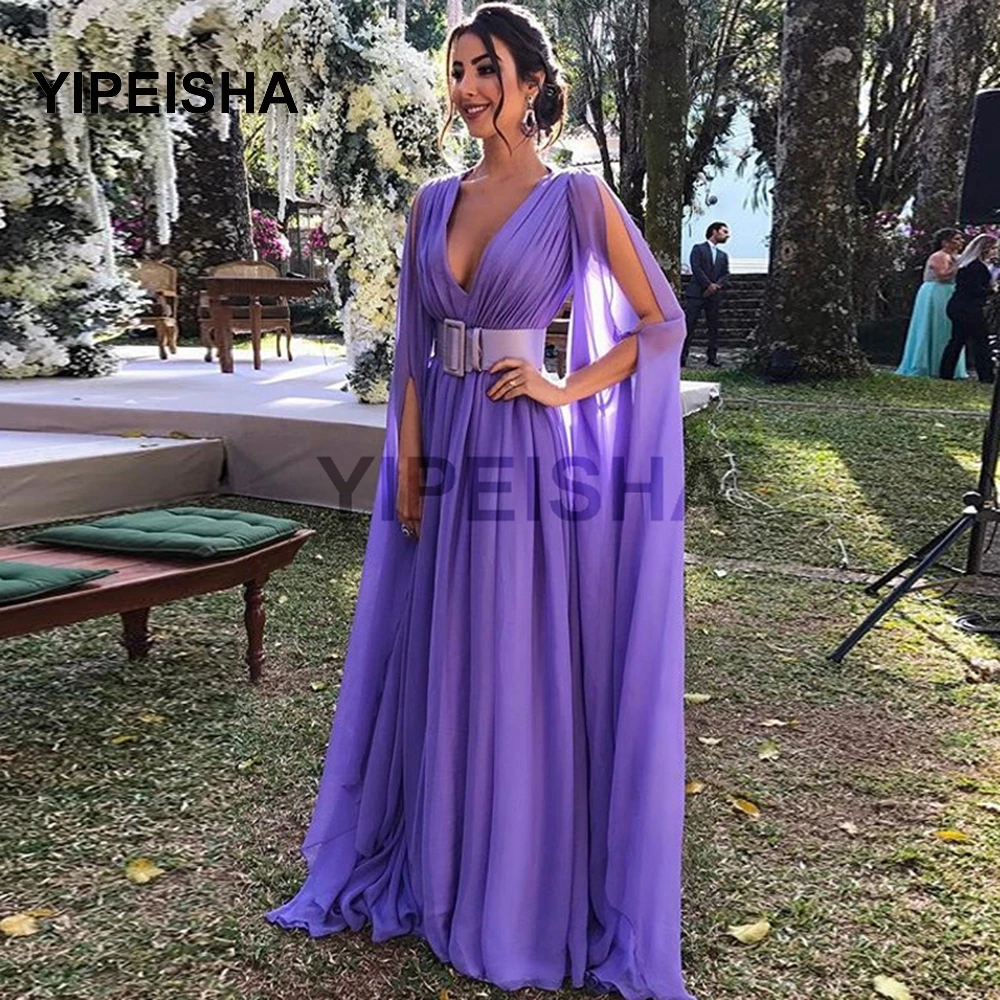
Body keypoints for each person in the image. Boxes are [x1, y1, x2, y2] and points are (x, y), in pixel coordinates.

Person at [265, 5, 694, 1000]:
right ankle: (440, 858)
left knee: (512, 645)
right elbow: (416, 350)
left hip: (521, 446)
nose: (465, 88)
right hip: (444, 443)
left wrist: (562, 387)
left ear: (532, 83)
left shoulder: (577, 198)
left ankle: (513, 881)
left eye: (485, 69)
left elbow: (658, 324)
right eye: (456, 70)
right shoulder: (431, 203)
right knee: (443, 642)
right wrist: (409, 462)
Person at [895, 228, 966, 378]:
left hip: (950, 291)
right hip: (937, 291)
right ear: (945, 242)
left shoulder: (956, 257)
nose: (961, 242)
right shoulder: (939, 256)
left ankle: (947, 365)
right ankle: (926, 364)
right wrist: (959, 266)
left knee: (947, 327)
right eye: (957, 239)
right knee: (934, 323)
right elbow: (942, 276)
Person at [940, 234, 999, 383]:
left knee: (957, 340)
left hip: (960, 306)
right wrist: (992, 290)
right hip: (968, 308)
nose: (994, 252)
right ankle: (986, 376)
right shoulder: (974, 266)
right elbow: (973, 290)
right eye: (993, 248)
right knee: (980, 341)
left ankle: (946, 373)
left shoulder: (968, 265)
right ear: (985, 248)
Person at [681, 221, 731, 368]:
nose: (727, 235)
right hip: (697, 293)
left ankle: (712, 356)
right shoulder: (698, 249)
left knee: (713, 326)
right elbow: (696, 268)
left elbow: (725, 274)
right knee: (689, 325)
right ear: (714, 231)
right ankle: (682, 355)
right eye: (724, 231)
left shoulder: (723, 255)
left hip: (714, 295)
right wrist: (708, 285)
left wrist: (716, 286)